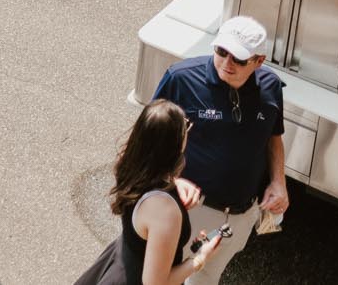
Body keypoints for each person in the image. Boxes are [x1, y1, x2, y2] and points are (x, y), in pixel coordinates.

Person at [149, 17, 290, 285]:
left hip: (238, 217)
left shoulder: (270, 87)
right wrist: (171, 180)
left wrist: (278, 181)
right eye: (221, 52)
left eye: (238, 58)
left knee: (207, 276)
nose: (226, 63)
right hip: (188, 210)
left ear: (259, 61)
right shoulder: (182, 79)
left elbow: (273, 137)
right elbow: (146, 141)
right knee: (160, 277)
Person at [73, 100, 227, 285]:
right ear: (173, 145)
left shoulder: (130, 167)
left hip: (118, 266)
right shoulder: (164, 210)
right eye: (185, 125)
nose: (188, 128)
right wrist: (200, 259)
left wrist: (175, 183)